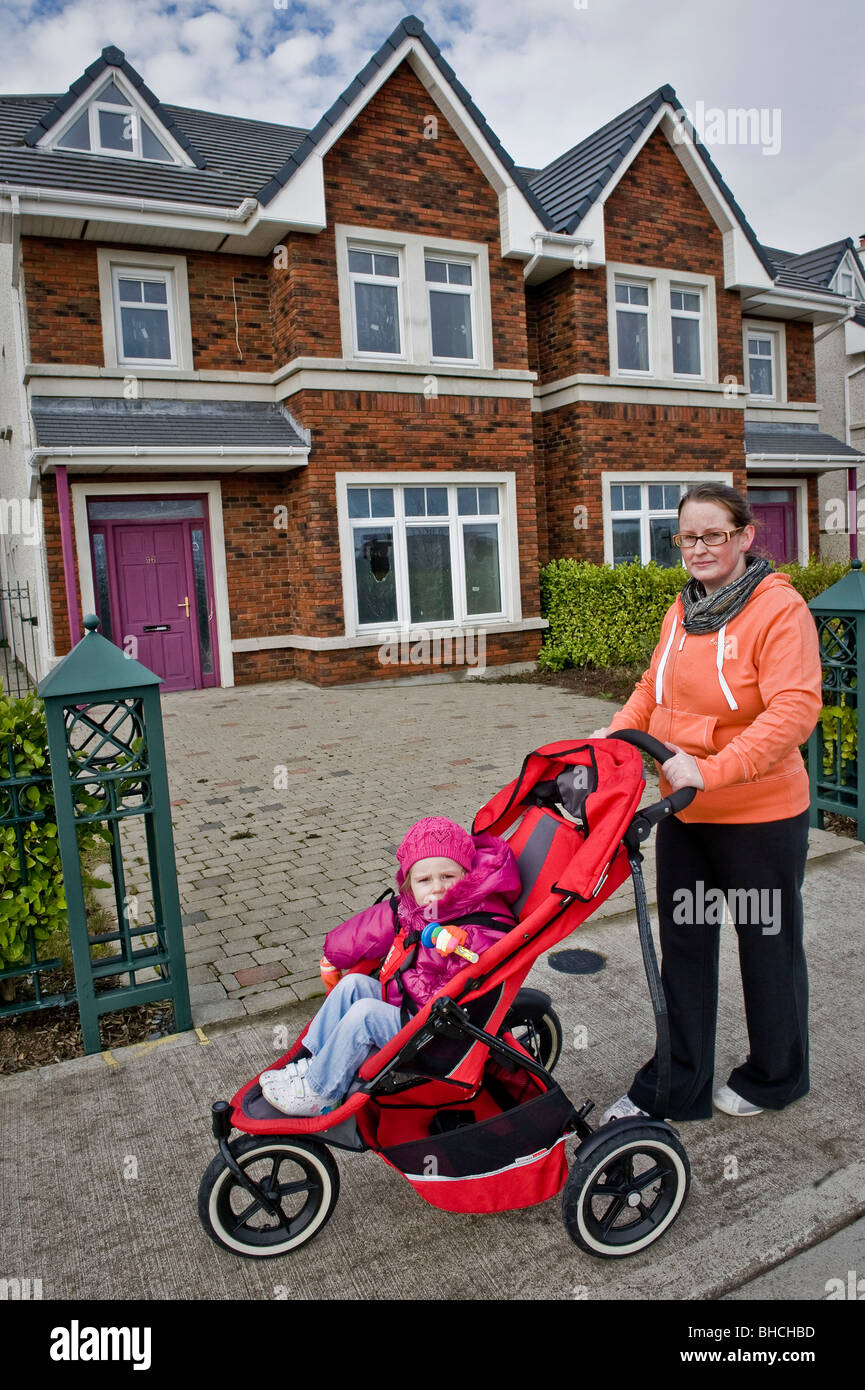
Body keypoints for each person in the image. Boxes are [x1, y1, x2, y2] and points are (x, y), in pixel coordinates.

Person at [593, 482, 822, 1123]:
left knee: (766, 950)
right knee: (685, 950)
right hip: (686, 812)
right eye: (686, 537)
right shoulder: (685, 606)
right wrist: (614, 735)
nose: (697, 548)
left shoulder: (779, 610)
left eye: (712, 535)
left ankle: (776, 1077)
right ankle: (678, 1085)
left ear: (746, 536)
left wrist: (714, 769)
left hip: (760, 817)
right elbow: (653, 687)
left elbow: (793, 711)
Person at [259, 816, 521, 1116]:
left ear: (467, 874)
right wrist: (334, 953)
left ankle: (322, 1092)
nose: (437, 888)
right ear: (410, 885)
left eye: (448, 876)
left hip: (438, 1029)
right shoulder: (422, 907)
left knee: (365, 1015)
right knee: (353, 986)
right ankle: (314, 1064)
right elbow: (376, 923)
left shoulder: (480, 913)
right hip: (413, 1003)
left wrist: (462, 944)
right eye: (425, 880)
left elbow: (489, 944)